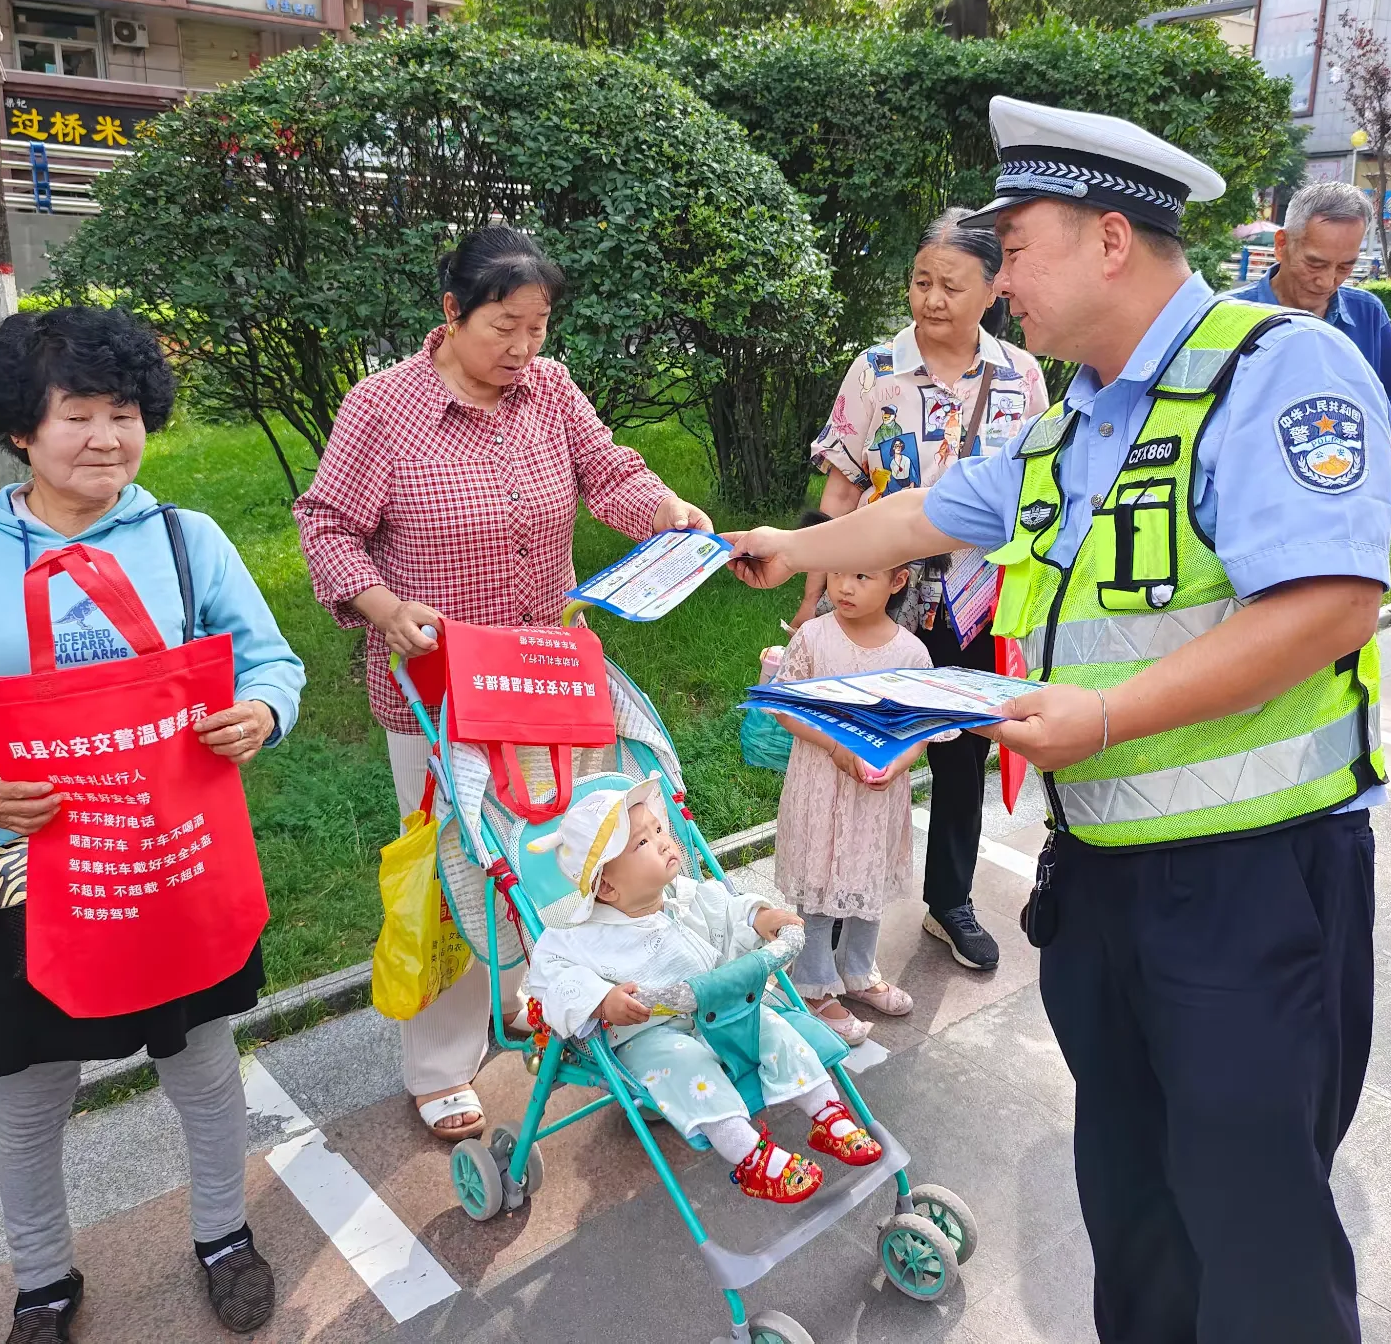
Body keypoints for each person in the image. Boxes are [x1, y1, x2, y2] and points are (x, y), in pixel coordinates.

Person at [726, 96, 1391, 1344]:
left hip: (1248, 888)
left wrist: (1103, 716)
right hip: (1105, 885)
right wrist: (786, 545)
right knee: (1132, 1212)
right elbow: (923, 514)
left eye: (1013, 246)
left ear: (1106, 240)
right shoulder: (1071, 422)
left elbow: (1327, 606)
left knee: (1253, 1236)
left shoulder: (1274, 369)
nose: (997, 280)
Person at [0, 308, 307, 1343]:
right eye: (78, 414)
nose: (107, 437)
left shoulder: (182, 541)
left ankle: (221, 1235)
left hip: (165, 865)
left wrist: (262, 711)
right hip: (18, 883)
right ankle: (42, 1283)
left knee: (202, 1072)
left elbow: (272, 663)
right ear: (22, 428)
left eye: (124, 413)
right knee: (27, 1104)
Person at [293, 225, 711, 1141]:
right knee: (461, 871)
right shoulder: (383, 407)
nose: (524, 351)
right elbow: (326, 527)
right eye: (503, 328)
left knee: (574, 853)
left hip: (553, 676)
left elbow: (611, 473)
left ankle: (550, 997)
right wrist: (381, 604)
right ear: (450, 314)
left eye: (538, 327)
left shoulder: (550, 391)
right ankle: (442, 1062)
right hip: (441, 688)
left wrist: (668, 511)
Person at [796, 209, 1049, 974]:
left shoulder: (1021, 376)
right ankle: (838, 912)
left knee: (965, 754)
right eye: (920, 282)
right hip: (880, 599)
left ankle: (951, 902)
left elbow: (1039, 491)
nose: (931, 299)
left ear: (991, 291)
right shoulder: (877, 370)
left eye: (951, 285)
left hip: (978, 600)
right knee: (861, 749)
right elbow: (839, 496)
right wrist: (812, 598)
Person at [522, 778, 883, 1202]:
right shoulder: (584, 937)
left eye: (659, 830)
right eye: (642, 843)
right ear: (607, 886)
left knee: (771, 1024)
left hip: (720, 1011)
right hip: (650, 1034)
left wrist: (757, 918)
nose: (662, 842)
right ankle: (748, 1154)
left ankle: (827, 1113)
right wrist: (601, 1000)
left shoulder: (684, 897)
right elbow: (553, 976)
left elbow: (728, 908)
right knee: (685, 1064)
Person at [769, 536, 929, 1046]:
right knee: (818, 880)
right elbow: (786, 706)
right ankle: (813, 983)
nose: (844, 586)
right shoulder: (814, 638)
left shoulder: (911, 652)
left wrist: (894, 762)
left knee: (867, 879)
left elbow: (919, 731)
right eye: (837, 573)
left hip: (876, 797)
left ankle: (858, 970)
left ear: (897, 581)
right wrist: (837, 748)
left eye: (862, 576)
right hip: (820, 785)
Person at [1231, 181, 1391, 431]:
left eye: (1345, 267)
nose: (1327, 282)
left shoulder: (1368, 314)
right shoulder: (1229, 315)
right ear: (1282, 244)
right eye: (1315, 264)